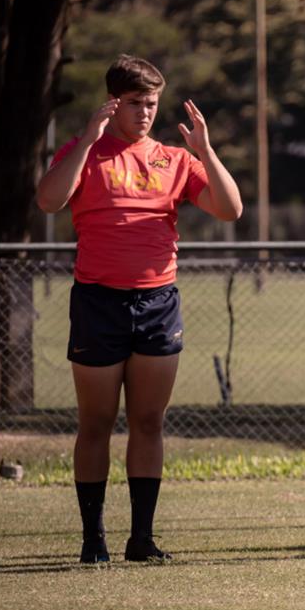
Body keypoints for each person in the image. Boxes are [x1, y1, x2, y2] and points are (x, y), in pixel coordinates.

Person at [36, 55, 243, 563]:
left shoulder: (173, 159)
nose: (145, 113)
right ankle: (93, 540)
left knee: (149, 421)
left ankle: (142, 539)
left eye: (151, 103)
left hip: (157, 302)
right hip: (98, 302)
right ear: (113, 103)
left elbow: (230, 209)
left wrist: (207, 151)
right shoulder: (87, 152)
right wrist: (86, 139)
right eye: (134, 104)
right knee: (96, 422)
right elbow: (48, 201)